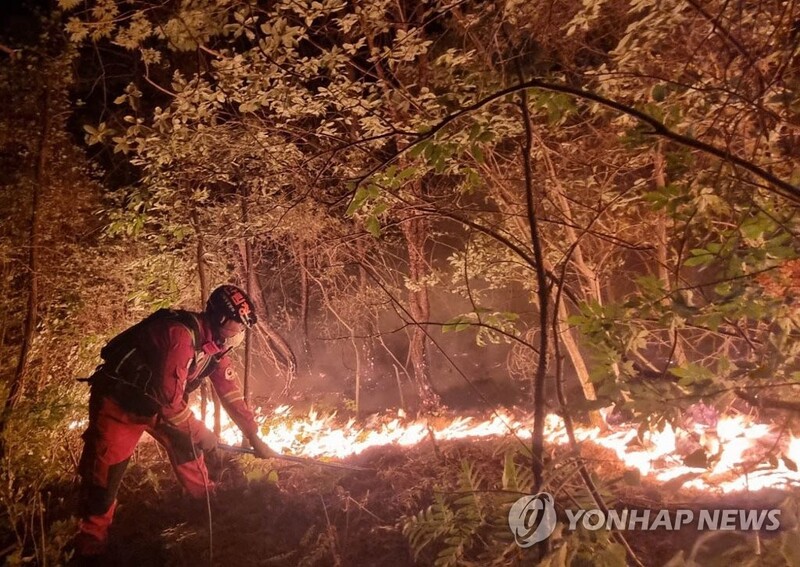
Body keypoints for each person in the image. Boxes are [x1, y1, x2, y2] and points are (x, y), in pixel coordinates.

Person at [74, 284, 276, 558]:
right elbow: (170, 406)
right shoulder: (179, 336)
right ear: (219, 319)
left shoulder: (215, 347)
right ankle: (91, 548)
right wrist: (203, 433)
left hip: (157, 407)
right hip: (120, 408)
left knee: (188, 450)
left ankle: (208, 511)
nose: (239, 333)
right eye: (237, 325)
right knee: (103, 483)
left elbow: (231, 392)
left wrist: (253, 435)